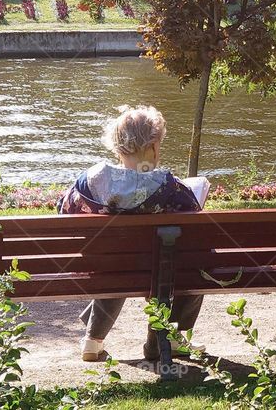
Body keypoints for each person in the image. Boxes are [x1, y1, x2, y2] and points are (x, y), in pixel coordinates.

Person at [57, 105, 210, 362]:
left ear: (117, 146)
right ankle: (166, 339)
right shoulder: (168, 187)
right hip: (160, 271)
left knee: (117, 261)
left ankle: (92, 342)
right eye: (158, 143)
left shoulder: (89, 181)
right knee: (191, 265)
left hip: (104, 267)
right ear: (151, 147)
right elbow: (194, 219)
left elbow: (64, 211)